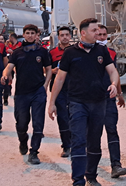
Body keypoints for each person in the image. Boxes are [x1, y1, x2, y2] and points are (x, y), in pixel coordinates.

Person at [48, 18, 120, 186]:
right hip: (77, 103)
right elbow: (59, 79)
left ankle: (91, 176)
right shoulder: (70, 53)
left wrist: (114, 84)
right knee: (79, 141)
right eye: (94, 31)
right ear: (83, 33)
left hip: (99, 103)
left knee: (94, 142)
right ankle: (78, 180)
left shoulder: (102, 51)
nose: (98, 34)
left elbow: (113, 71)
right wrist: (51, 103)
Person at [1, 24, 51, 165]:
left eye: (32, 33)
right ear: (24, 34)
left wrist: (45, 85)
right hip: (22, 93)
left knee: (38, 123)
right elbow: (9, 67)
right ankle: (23, 140)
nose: (30, 35)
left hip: (38, 93)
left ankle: (34, 152)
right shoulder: (18, 52)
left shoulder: (42, 52)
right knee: (21, 123)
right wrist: (5, 75)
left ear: (36, 35)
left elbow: (48, 69)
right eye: (27, 32)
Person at [96, 24, 126, 178]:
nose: (102, 38)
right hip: (90, 101)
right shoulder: (86, 53)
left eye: (104, 35)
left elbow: (115, 74)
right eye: (99, 34)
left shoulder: (112, 53)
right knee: (92, 134)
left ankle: (116, 165)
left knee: (112, 130)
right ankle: (90, 168)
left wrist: (119, 93)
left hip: (108, 99)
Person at [49, 26, 73, 158]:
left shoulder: (76, 51)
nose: (64, 37)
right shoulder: (52, 53)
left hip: (74, 88)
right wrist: (53, 71)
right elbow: (45, 70)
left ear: (70, 37)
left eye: (67, 35)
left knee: (75, 117)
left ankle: (77, 144)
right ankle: (66, 146)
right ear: (58, 37)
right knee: (63, 118)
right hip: (59, 90)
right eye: (62, 35)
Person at [3, 32, 22, 105]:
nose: (8, 39)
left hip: (18, 65)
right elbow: (4, 51)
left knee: (19, 80)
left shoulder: (20, 45)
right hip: (9, 64)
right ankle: (5, 98)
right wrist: (6, 44)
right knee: (7, 80)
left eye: (9, 37)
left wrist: (13, 52)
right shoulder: (9, 45)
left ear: (12, 38)